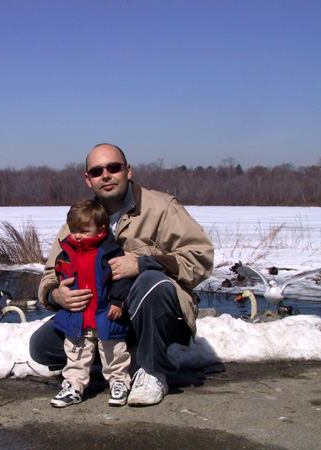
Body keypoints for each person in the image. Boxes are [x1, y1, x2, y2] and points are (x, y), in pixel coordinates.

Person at [30, 143, 214, 407]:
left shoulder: (162, 208)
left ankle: (152, 370)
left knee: (151, 281)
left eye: (113, 168)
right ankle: (118, 359)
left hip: (157, 312)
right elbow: (50, 273)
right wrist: (55, 294)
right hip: (101, 316)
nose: (106, 175)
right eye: (97, 171)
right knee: (41, 346)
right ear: (88, 179)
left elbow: (201, 257)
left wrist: (142, 263)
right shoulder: (79, 220)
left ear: (128, 171)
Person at [50, 199, 133, 408]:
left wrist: (118, 302)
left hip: (106, 315)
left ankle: (119, 382)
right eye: (74, 230)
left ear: (101, 229)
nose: (77, 235)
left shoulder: (111, 252)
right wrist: (60, 290)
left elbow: (122, 280)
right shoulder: (66, 253)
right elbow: (58, 276)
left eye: (84, 231)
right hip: (77, 317)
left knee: (114, 353)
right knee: (75, 355)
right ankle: (73, 385)